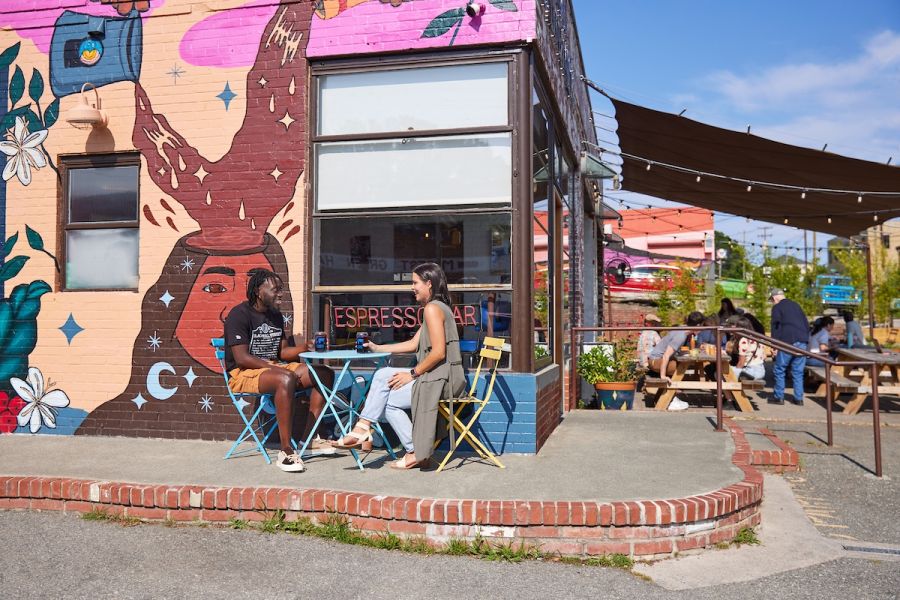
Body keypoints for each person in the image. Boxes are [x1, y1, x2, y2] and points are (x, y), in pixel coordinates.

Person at [333, 263, 465, 470]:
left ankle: (366, 429)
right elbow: (414, 344)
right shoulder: (436, 307)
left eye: (415, 283)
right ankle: (406, 448)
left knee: (384, 384)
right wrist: (378, 348)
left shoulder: (432, 309)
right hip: (439, 376)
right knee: (386, 396)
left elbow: (439, 352)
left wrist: (412, 374)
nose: (411, 288)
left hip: (443, 380)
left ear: (429, 284)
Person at [224, 269, 336, 472]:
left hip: (274, 369)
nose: (280, 294)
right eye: (275, 289)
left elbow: (283, 352)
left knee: (324, 373)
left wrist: (304, 348)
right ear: (259, 291)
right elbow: (241, 357)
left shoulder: (275, 316)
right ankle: (286, 451)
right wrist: (272, 366)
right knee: (285, 378)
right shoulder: (238, 315)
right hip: (242, 373)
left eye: (281, 289)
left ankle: (308, 441)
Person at [647, 311, 705, 411]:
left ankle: (669, 397)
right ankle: (670, 400)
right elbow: (666, 355)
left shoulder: (684, 329)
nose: (703, 328)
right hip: (655, 361)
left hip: (655, 359)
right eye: (702, 325)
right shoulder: (681, 335)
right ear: (698, 325)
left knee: (682, 365)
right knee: (680, 368)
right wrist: (663, 376)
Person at [769, 288, 809, 405]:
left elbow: (776, 326)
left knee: (779, 369)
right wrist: (806, 340)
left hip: (787, 341)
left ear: (774, 297)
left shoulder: (777, 307)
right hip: (802, 340)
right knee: (798, 371)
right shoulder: (796, 305)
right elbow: (806, 323)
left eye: (772, 300)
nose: (772, 302)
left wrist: (774, 344)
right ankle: (798, 399)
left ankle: (779, 397)